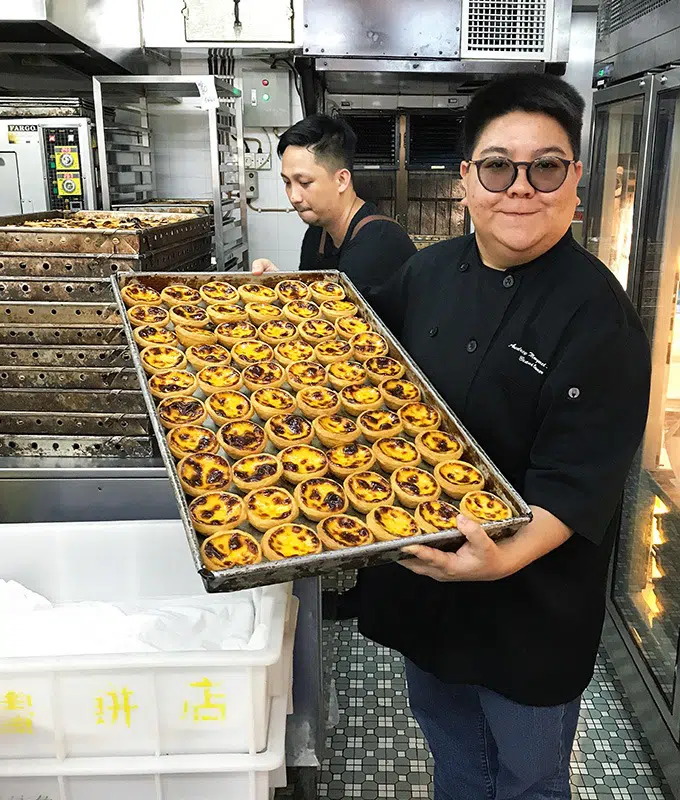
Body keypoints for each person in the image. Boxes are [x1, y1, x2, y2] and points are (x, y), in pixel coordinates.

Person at [254, 73, 651, 798]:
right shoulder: (429, 270)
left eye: (545, 167)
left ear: (575, 180)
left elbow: (580, 479)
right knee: (457, 759)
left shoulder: (601, 316)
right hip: (431, 590)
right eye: (498, 167)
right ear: (466, 179)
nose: (520, 188)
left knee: (528, 779)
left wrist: (502, 561)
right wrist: (274, 310)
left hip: (531, 608)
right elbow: (356, 349)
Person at [252, 113, 416, 293]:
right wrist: (280, 286)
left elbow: (353, 311)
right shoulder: (316, 234)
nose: (294, 197)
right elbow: (312, 303)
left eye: (304, 182)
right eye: (287, 182)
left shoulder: (378, 243)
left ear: (341, 180)